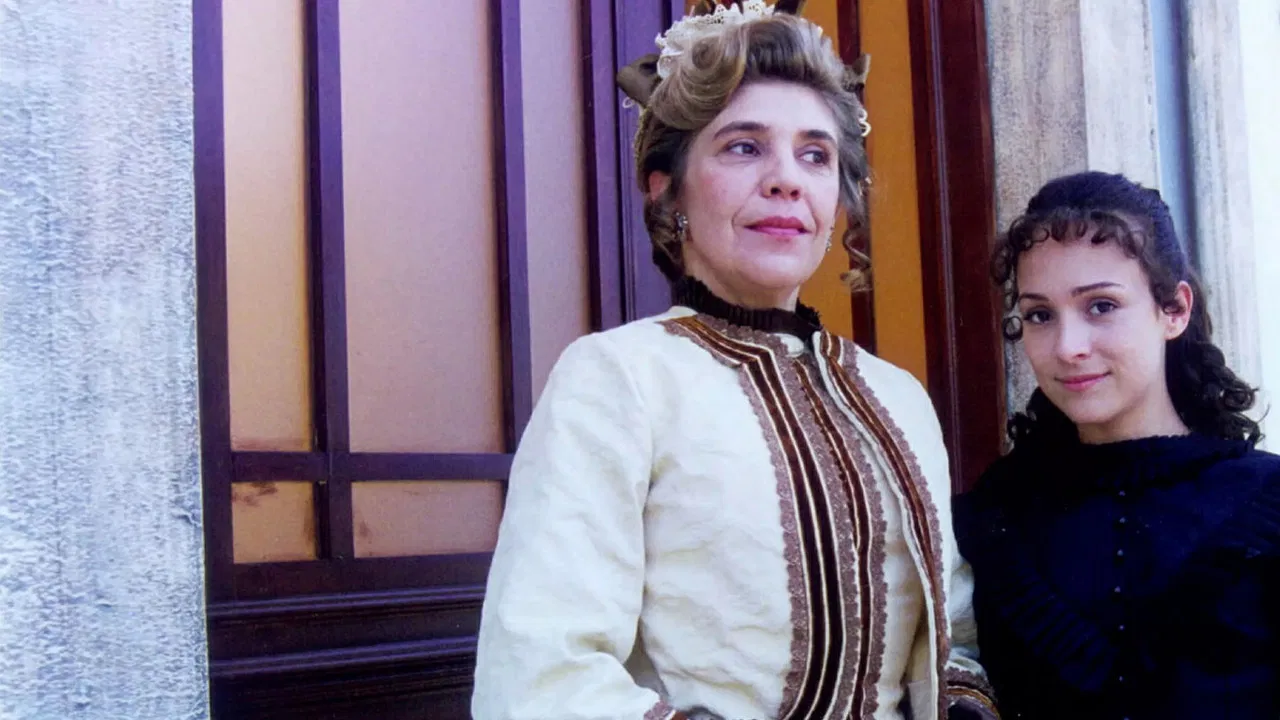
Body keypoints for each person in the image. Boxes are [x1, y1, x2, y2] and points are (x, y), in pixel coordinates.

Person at [472, 2, 997, 718]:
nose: (787, 179)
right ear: (667, 189)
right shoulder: (619, 377)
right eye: (744, 147)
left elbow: (951, 637)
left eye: (815, 155)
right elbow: (541, 669)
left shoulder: (896, 395)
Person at [954, 171, 1280, 719]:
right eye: (1040, 315)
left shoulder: (1266, 500)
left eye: (1101, 306)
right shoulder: (996, 515)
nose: (1068, 347)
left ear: (1174, 310)